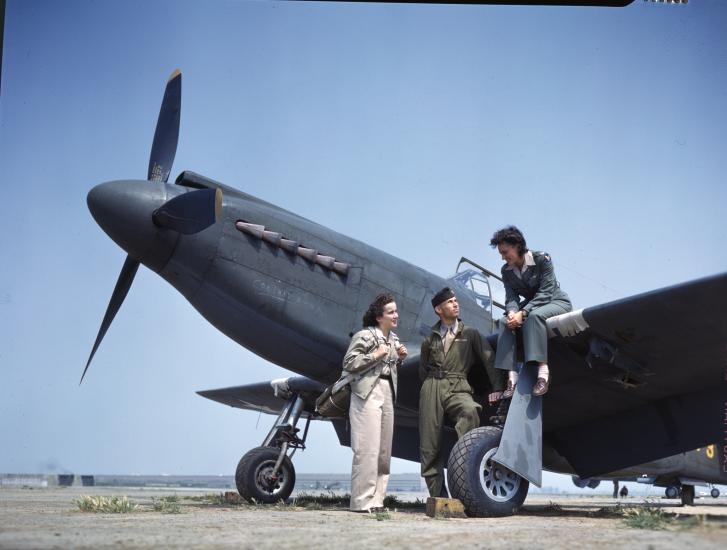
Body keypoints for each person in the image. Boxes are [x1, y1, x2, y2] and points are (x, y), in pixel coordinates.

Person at [418, 287, 506, 498]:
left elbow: (489, 360)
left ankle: (465, 480)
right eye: (450, 302)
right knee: (429, 446)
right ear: (439, 309)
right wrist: (430, 388)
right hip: (432, 386)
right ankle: (439, 497)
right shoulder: (430, 339)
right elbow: (423, 368)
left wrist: (498, 389)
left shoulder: (470, 334)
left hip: (459, 384)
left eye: (456, 301)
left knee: (470, 410)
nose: (456, 304)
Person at [343, 293, 408, 513]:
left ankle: (378, 501)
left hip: (388, 392)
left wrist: (399, 357)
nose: (396, 315)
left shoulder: (394, 339)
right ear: (379, 317)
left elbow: (391, 366)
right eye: (391, 312)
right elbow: (349, 362)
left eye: (396, 311)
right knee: (367, 449)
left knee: (383, 451)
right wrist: (375, 356)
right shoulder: (364, 335)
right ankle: (362, 502)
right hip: (367, 393)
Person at [490, 226, 572, 397]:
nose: (503, 257)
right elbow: (511, 298)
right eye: (501, 254)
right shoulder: (506, 271)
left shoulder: (542, 258)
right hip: (531, 305)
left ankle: (543, 375)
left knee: (534, 317)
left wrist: (524, 312)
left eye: (505, 252)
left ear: (518, 246)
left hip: (554, 301)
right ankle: (511, 379)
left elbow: (546, 292)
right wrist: (512, 312)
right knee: (505, 322)